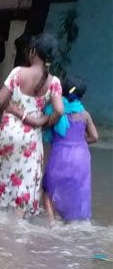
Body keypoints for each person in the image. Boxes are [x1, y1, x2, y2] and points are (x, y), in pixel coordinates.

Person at [0, 33, 64, 218]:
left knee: (5, 176)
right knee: (24, 181)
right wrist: (43, 121)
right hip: (31, 139)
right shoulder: (54, 82)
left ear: (33, 51)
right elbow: (59, 110)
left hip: (9, 134)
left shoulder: (18, 73)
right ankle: (17, 225)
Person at [40, 75, 99, 222]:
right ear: (81, 96)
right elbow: (94, 137)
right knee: (76, 191)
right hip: (81, 157)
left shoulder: (54, 111)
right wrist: (78, 141)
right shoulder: (84, 115)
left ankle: (52, 222)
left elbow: (43, 127)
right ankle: (72, 223)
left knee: (48, 188)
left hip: (60, 154)